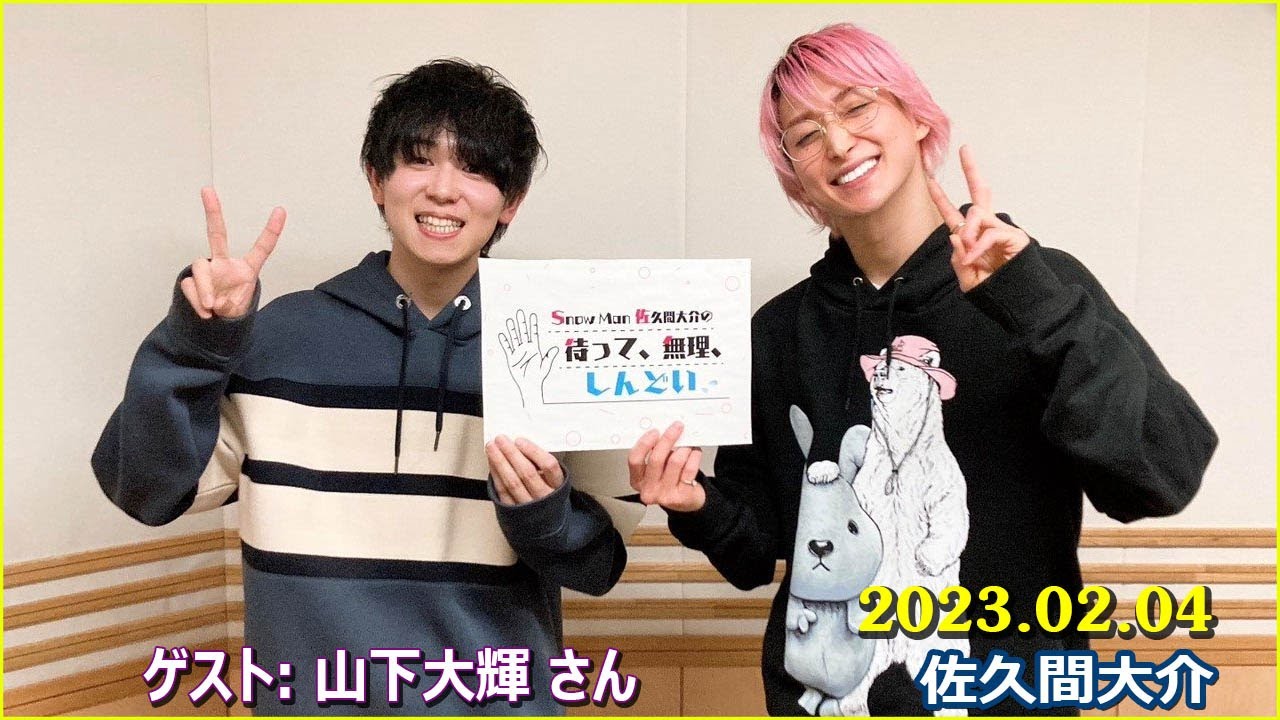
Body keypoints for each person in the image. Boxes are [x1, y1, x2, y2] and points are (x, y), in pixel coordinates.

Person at [629, 23, 1217, 716]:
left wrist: (1034, 301)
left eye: (857, 106)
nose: (838, 143)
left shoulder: (1038, 286)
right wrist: (695, 503)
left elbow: (1161, 477)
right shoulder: (780, 332)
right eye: (806, 135)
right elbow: (758, 554)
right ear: (796, 176)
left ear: (915, 117)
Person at [93, 59, 628, 715]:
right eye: (419, 161)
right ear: (376, 179)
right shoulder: (278, 338)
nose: (443, 190)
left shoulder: (563, 348)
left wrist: (542, 513)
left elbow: (598, 569)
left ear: (510, 200)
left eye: (474, 169)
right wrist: (196, 341)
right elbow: (144, 491)